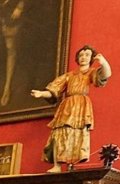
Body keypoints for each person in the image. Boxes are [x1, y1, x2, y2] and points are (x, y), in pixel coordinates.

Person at [31, 44, 111, 172]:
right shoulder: (69, 75)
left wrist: (103, 62)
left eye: (87, 55)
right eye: (81, 55)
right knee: (59, 133)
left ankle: (71, 164)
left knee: (77, 133)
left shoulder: (91, 73)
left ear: (91, 58)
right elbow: (54, 89)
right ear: (77, 58)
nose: (83, 57)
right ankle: (57, 165)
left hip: (81, 105)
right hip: (67, 105)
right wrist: (41, 94)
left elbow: (106, 74)